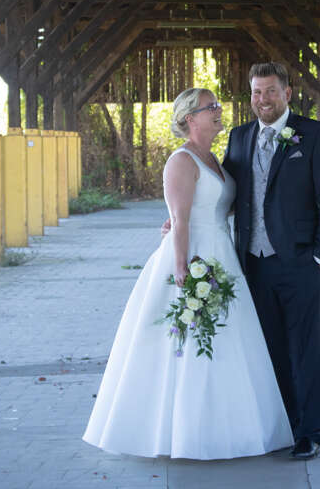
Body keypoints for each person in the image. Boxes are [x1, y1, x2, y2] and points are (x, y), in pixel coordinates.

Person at [83, 87, 292, 460]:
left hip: (222, 254)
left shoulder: (213, 158)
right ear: (189, 119)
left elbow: (215, 205)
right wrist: (182, 269)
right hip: (195, 258)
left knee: (229, 341)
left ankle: (233, 426)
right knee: (191, 343)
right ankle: (186, 432)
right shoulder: (181, 160)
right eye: (209, 107)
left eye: (217, 105)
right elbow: (180, 219)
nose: (218, 110)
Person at [222, 62, 320, 460]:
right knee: (269, 349)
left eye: (271, 91)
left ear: (287, 93)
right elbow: (223, 190)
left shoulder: (313, 134)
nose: (263, 100)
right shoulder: (239, 137)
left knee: (304, 349)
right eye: (257, 93)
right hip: (253, 264)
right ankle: (281, 427)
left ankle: (309, 433)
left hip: (299, 262)